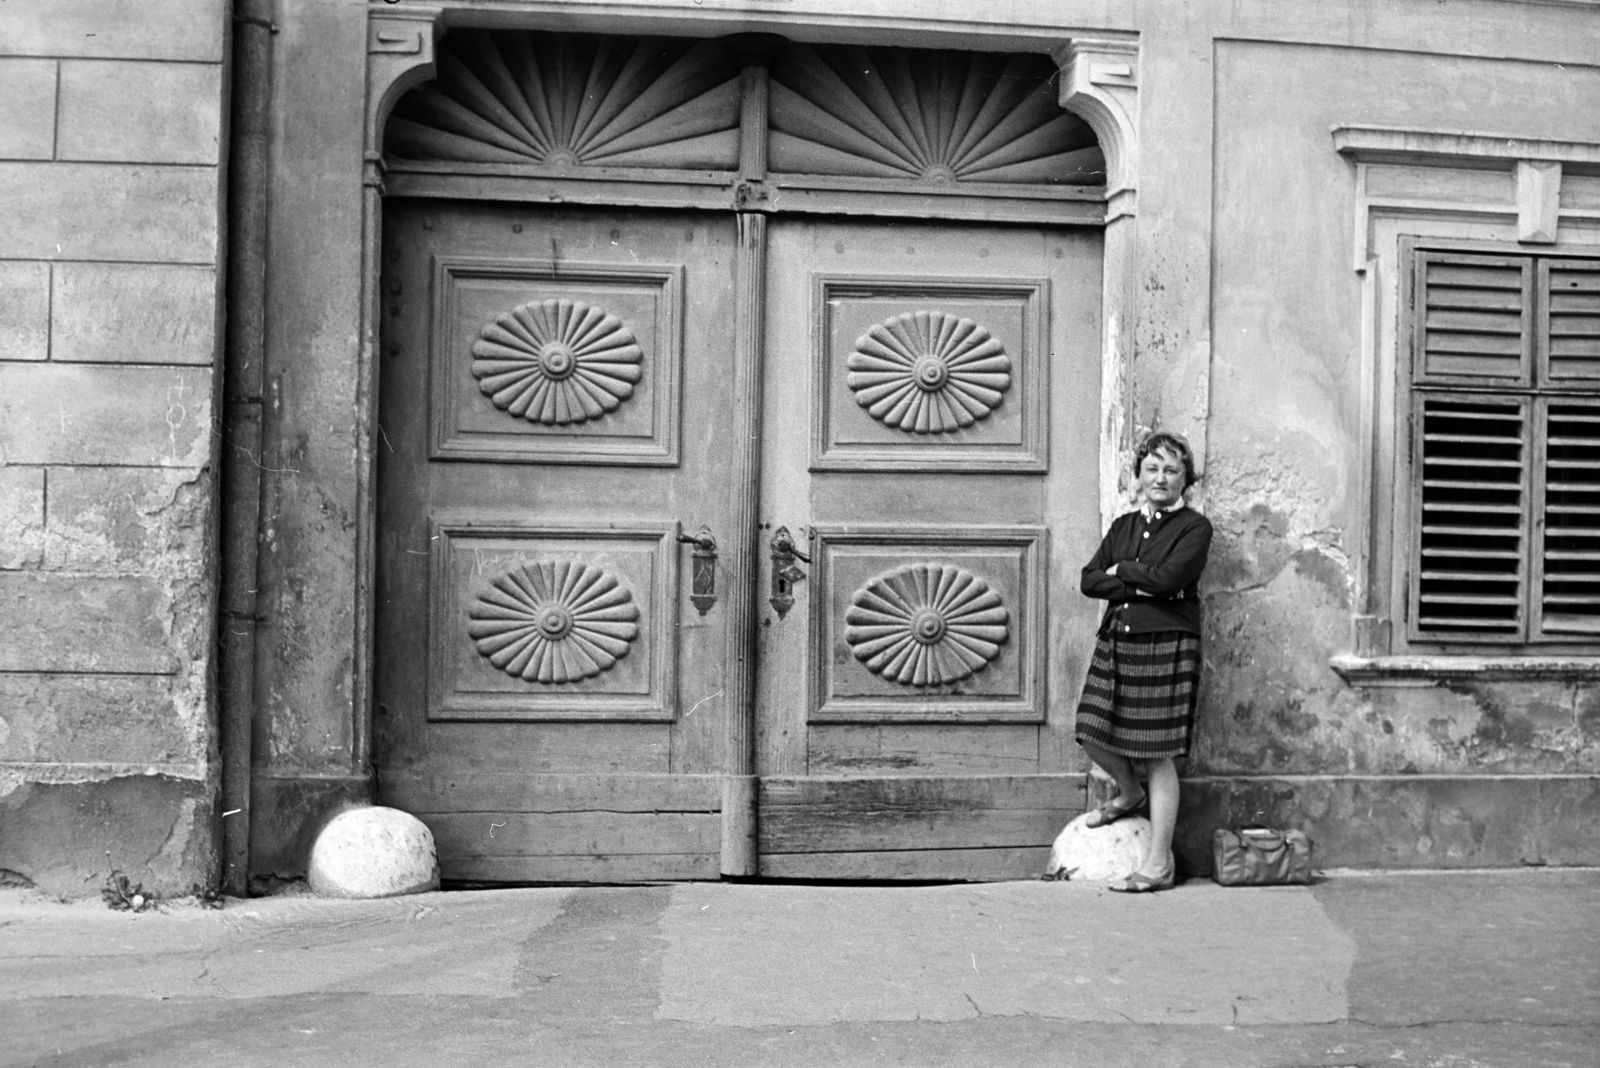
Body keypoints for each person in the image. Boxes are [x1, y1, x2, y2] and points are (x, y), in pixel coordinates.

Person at [1075, 431, 1212, 892]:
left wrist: (1125, 572)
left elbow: (1175, 576)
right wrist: (1147, 583)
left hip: (1167, 642)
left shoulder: (1194, 528)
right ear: (1138, 477)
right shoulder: (1123, 527)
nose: (1161, 477)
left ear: (1184, 480)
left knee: (1157, 754)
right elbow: (1090, 581)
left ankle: (1158, 864)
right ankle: (1129, 794)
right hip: (1119, 638)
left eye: (1171, 470)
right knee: (1091, 731)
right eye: (1152, 468)